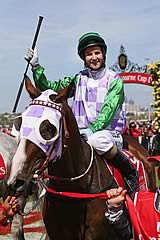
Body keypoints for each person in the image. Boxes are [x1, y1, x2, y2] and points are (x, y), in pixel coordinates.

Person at [25, 32, 139, 199]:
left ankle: (130, 174)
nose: (94, 57)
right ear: (84, 58)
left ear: (104, 54)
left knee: (97, 140)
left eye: (97, 53)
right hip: (80, 135)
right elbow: (49, 88)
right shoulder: (78, 79)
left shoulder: (114, 79)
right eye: (89, 54)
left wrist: (92, 130)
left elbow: (108, 110)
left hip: (108, 134)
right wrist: (36, 67)